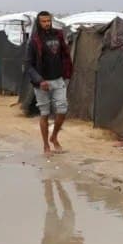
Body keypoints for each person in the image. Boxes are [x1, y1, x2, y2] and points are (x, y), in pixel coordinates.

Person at [25, 11, 74, 156]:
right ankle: (46, 145)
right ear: (38, 23)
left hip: (58, 80)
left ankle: (54, 137)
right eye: (43, 21)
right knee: (45, 113)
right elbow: (28, 65)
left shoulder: (58, 35)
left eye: (48, 21)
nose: (46, 23)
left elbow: (65, 55)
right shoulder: (34, 41)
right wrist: (39, 81)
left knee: (62, 109)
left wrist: (67, 72)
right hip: (42, 83)